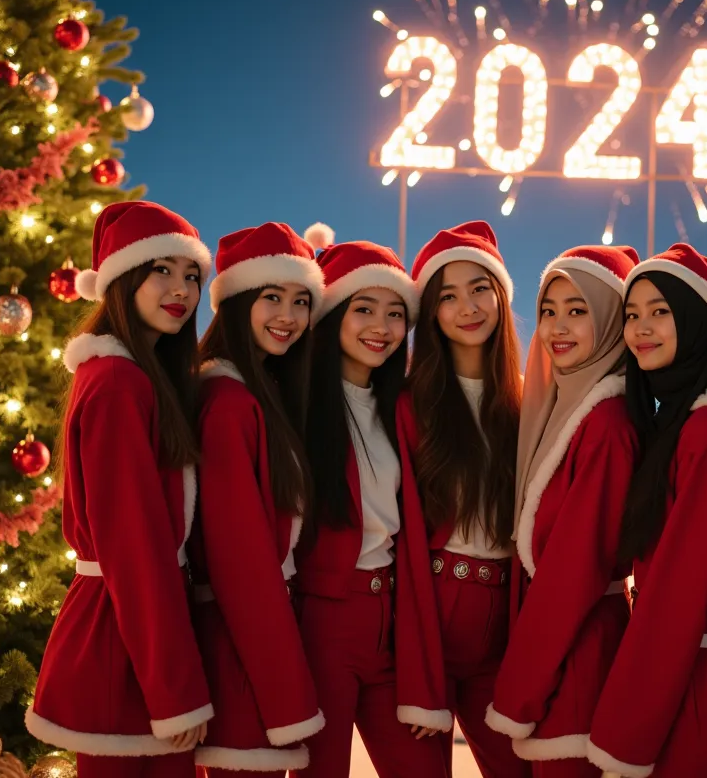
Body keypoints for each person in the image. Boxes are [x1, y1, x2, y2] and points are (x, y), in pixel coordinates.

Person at [26, 201, 214, 778]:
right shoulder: (115, 384)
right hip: (122, 639)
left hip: (143, 628)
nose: (180, 289)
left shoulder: (143, 378)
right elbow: (132, 546)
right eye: (161, 270)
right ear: (121, 279)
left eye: (190, 275)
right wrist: (175, 687)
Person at [586, 243, 707, 778]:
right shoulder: (680, 417)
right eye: (632, 315)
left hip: (694, 678)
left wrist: (625, 726)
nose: (640, 329)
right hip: (682, 665)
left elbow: (685, 586)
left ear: (696, 320)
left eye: (660, 313)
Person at [292, 230, 448, 777]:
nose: (381, 328)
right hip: (323, 619)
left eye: (394, 313)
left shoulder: (402, 407)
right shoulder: (300, 407)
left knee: (425, 765)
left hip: (393, 619)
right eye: (363, 309)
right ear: (333, 315)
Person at [485, 245, 640, 777]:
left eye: (579, 310)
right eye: (549, 310)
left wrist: (518, 693)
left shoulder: (608, 423)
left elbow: (574, 572)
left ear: (611, 318)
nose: (557, 326)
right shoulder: (561, 403)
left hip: (580, 656)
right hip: (556, 652)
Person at [190, 223, 326, 775]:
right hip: (240, 647)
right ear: (238, 301)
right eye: (272, 297)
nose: (288, 317)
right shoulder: (227, 402)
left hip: (253, 637)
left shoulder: (257, 394)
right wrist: (284, 692)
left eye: (300, 301)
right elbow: (241, 562)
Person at [397, 221, 530, 777]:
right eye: (446, 296)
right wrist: (419, 674)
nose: (467, 307)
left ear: (501, 295)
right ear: (429, 314)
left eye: (479, 288)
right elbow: (403, 539)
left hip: (504, 616)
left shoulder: (527, 400)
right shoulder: (411, 404)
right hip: (431, 605)